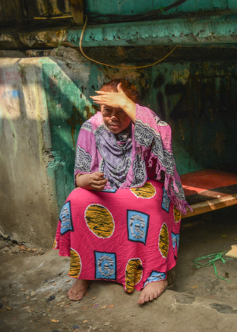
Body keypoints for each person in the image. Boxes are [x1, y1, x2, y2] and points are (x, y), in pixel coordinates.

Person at [54, 79, 190, 304]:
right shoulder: (91, 127)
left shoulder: (141, 122)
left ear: (131, 108)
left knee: (151, 205)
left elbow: (161, 135)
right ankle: (84, 272)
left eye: (121, 111)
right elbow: (79, 176)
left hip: (144, 185)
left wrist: (129, 107)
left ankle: (156, 274)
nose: (113, 118)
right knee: (75, 200)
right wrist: (87, 181)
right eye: (108, 111)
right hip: (104, 190)